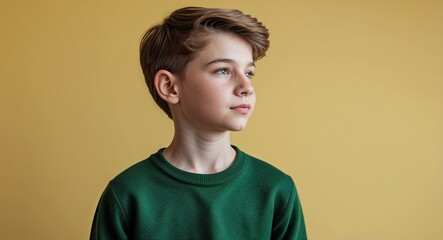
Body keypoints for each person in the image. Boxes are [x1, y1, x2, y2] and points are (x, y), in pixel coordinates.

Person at [90, 6, 307, 240]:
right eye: (223, 70)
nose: (247, 87)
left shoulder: (277, 190)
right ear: (169, 87)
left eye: (248, 72)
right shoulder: (127, 194)